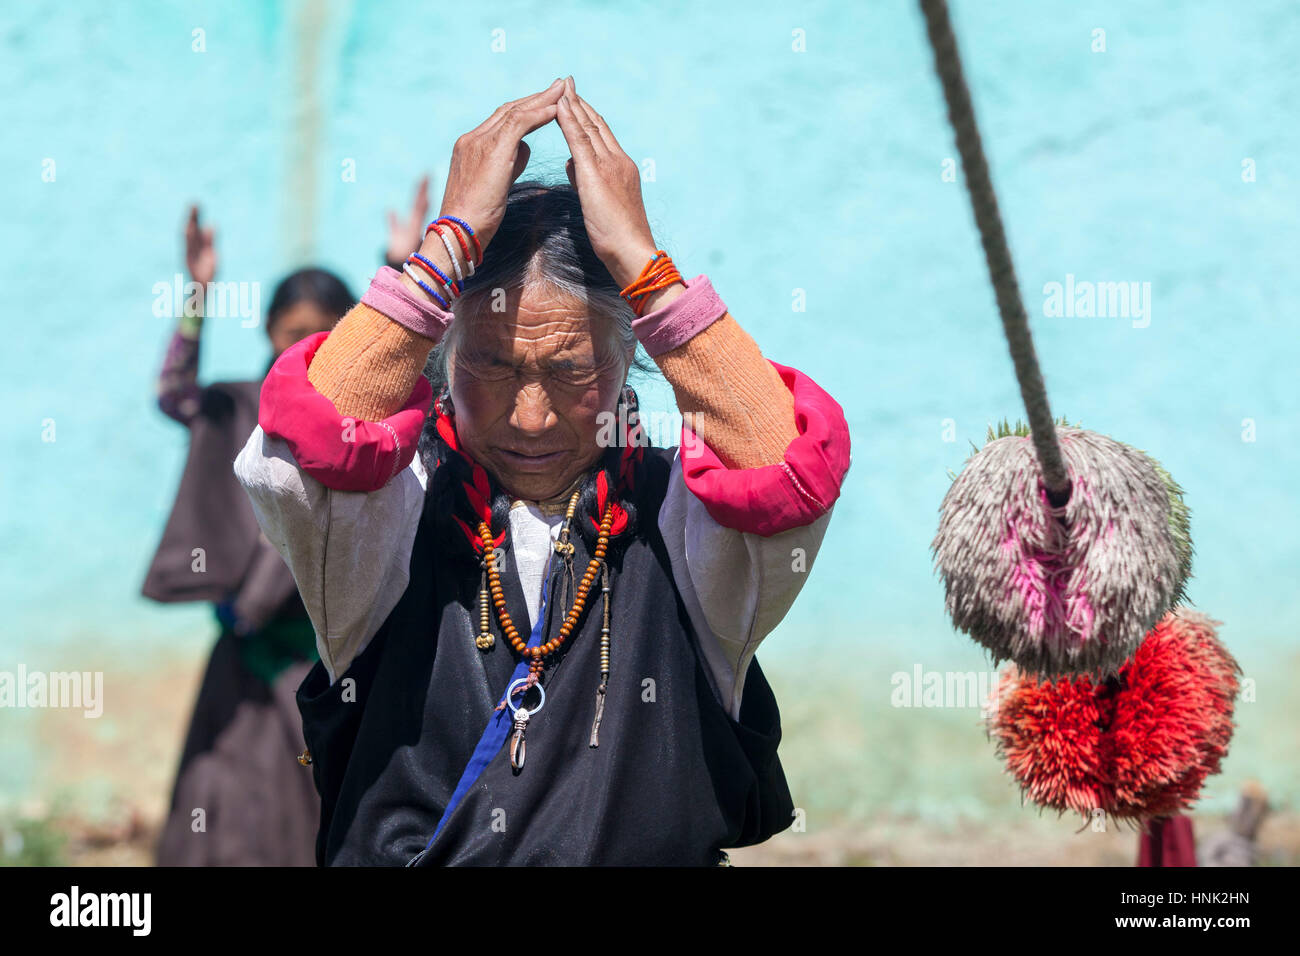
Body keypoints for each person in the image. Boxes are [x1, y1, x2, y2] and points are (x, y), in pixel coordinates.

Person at [235, 76, 851, 866]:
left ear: (634, 351)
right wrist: (446, 246)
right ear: (442, 349)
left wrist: (644, 265)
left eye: (571, 369)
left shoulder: (687, 524)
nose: (530, 418)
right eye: (490, 366)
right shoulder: (387, 517)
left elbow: (789, 476)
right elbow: (296, 463)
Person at [142, 198, 402, 863]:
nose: (303, 347)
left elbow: (416, 373)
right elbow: (176, 395)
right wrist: (198, 294)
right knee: (219, 797)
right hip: (240, 650)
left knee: (308, 803)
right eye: (290, 333)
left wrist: (401, 270)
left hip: (318, 658)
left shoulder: (362, 428)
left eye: (323, 331)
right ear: (266, 332)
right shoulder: (240, 407)